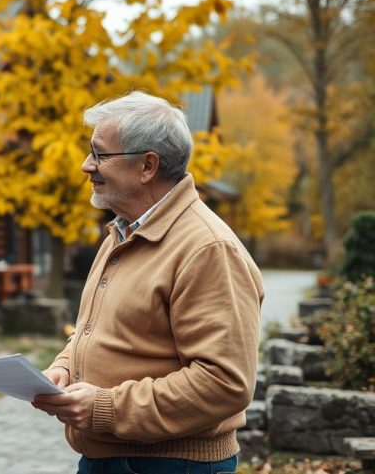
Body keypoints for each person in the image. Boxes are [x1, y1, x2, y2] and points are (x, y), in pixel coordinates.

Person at [32, 91, 264, 473]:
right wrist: (65, 366)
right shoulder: (121, 234)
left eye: (100, 154)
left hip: (170, 465)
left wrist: (104, 407)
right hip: (110, 458)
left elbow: (224, 383)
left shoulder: (207, 249)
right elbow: (100, 331)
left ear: (147, 166)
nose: (86, 165)